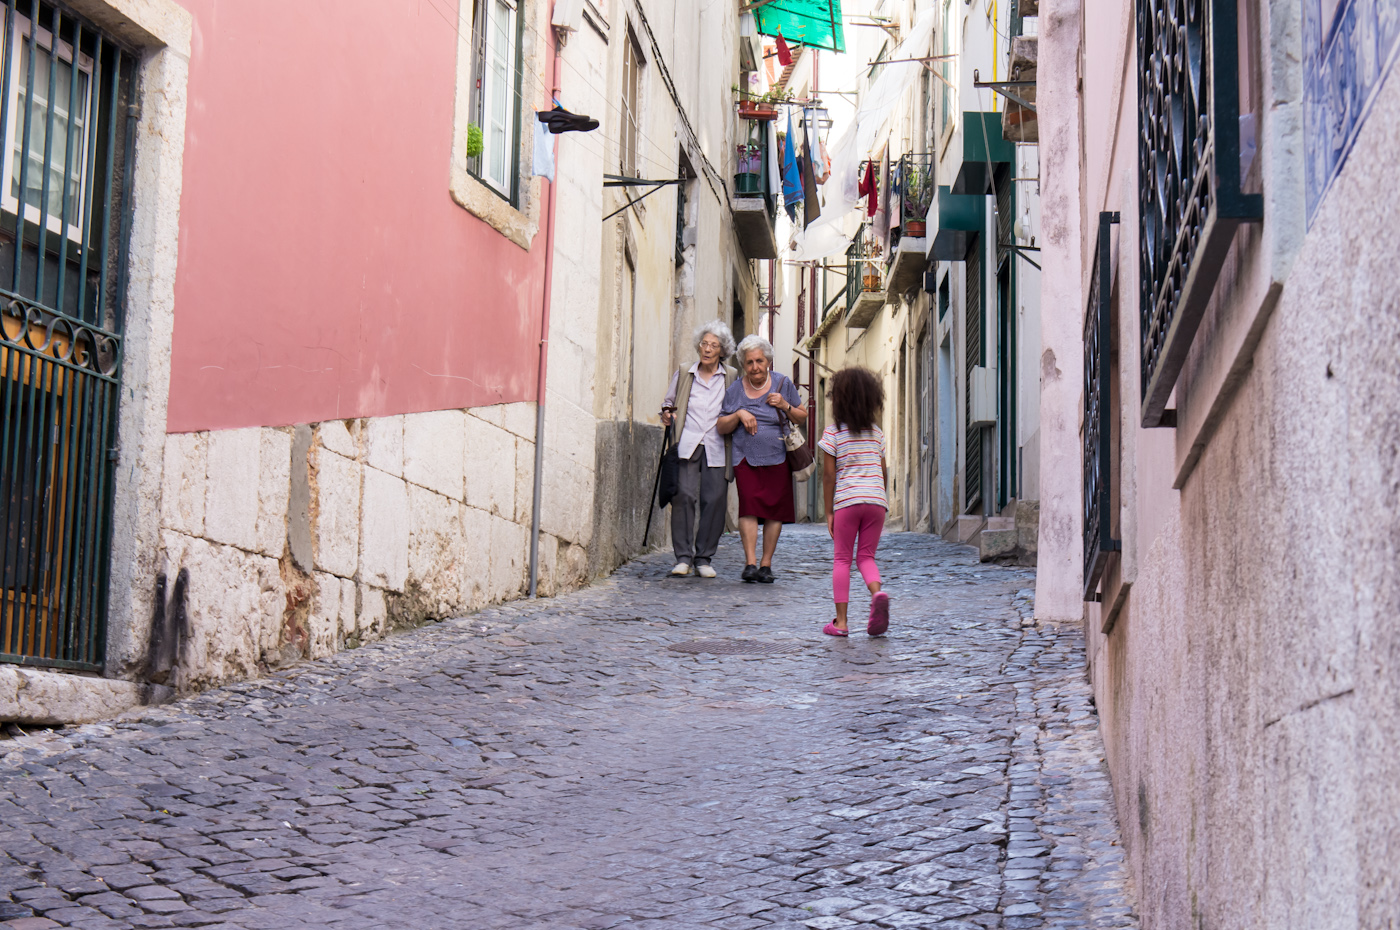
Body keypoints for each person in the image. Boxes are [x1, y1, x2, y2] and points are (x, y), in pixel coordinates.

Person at [716, 334, 807, 583]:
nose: (755, 367)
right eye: (749, 362)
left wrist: (785, 405)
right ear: (743, 365)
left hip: (777, 456)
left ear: (768, 361)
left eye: (759, 361)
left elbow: (801, 416)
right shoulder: (735, 390)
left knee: (773, 512)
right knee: (749, 508)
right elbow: (722, 425)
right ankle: (750, 563)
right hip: (745, 457)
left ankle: (766, 564)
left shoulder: (782, 383)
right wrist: (739, 414)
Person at [660, 321, 738, 578]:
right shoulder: (685, 372)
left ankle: (704, 557)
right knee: (683, 496)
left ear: (722, 350)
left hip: (717, 444)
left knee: (714, 499)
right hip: (688, 442)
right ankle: (683, 557)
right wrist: (667, 414)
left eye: (713, 345)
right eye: (704, 343)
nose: (707, 349)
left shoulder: (731, 376)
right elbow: (669, 402)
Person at [818, 367, 890, 636]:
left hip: (847, 501)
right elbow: (882, 471)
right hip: (875, 501)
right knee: (866, 556)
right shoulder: (877, 434)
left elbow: (828, 476)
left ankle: (841, 623)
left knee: (842, 560)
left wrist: (828, 512)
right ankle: (877, 593)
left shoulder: (833, 434)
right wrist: (880, 499)